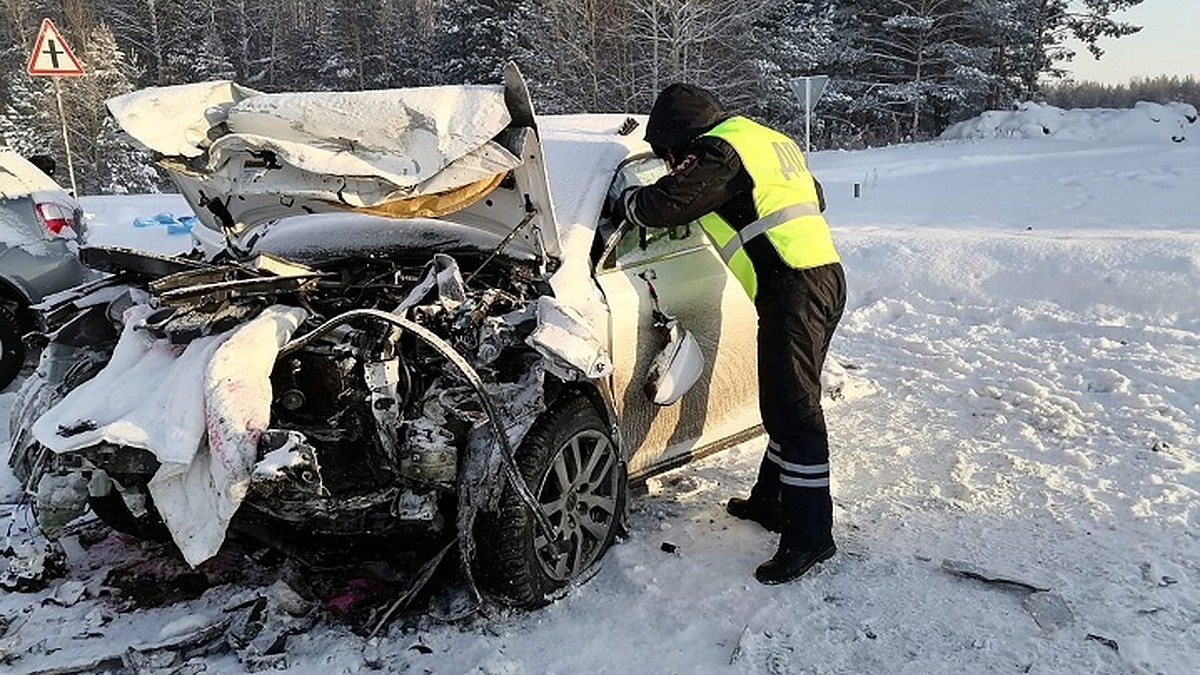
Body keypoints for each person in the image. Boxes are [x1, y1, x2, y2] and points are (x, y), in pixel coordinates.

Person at [618, 83, 846, 585]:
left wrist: (628, 201)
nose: (674, 162)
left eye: (671, 154)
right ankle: (772, 501)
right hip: (820, 275)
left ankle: (811, 536)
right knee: (786, 402)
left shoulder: (719, 149)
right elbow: (817, 196)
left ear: (681, 137)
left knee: (796, 414)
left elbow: (666, 205)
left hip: (793, 284)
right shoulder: (764, 139)